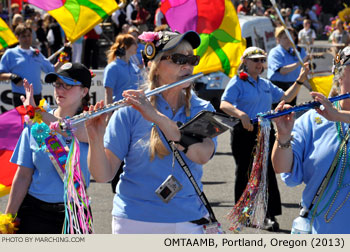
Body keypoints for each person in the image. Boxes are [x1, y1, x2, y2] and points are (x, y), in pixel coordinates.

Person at [86, 30, 218, 234]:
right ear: (153, 66)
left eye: (192, 59)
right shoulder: (128, 111)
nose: (187, 66)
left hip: (187, 220)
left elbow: (201, 155)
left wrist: (156, 117)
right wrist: (95, 139)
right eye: (179, 59)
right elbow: (103, 175)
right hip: (133, 221)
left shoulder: (203, 109)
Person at [220, 46, 309, 231]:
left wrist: (300, 80)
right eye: (256, 60)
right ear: (245, 61)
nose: (260, 64)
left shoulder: (265, 83)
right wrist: (240, 114)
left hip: (264, 131)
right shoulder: (237, 82)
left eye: (262, 60)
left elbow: (285, 96)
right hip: (244, 132)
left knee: (267, 173)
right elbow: (224, 103)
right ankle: (243, 214)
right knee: (244, 172)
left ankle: (270, 215)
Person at [4, 62, 93, 234]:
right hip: (34, 212)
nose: (60, 90)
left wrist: (36, 112)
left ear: (84, 91)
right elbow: (23, 175)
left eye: (68, 85)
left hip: (76, 212)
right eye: (58, 84)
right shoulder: (35, 124)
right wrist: (8, 219)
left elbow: (72, 130)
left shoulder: (93, 124)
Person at [271, 46, 350, 234]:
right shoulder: (313, 120)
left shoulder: (333, 114)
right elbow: (281, 167)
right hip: (322, 230)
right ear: (339, 78)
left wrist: (339, 115)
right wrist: (282, 135)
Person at [0, 24, 60, 107]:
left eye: (29, 35)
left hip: (37, 97)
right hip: (21, 98)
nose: (27, 39)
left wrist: (64, 57)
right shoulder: (10, 53)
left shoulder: (36, 53)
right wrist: (11, 76)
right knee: (24, 120)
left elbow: (52, 69)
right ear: (17, 37)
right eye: (23, 36)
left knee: (37, 120)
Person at [267, 26, 308, 106]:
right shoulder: (275, 52)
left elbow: (303, 71)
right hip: (278, 86)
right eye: (285, 38)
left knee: (291, 111)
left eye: (291, 37)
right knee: (278, 112)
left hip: (293, 85)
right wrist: (299, 62)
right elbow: (283, 71)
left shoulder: (297, 51)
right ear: (278, 39)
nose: (289, 40)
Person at [103, 33, 142, 105]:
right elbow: (108, 94)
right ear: (126, 46)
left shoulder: (135, 67)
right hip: (118, 110)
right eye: (134, 43)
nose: (137, 46)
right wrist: (109, 115)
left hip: (136, 111)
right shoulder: (112, 68)